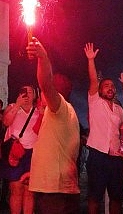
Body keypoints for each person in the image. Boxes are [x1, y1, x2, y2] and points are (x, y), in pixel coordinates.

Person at [26, 38, 81, 214]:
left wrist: (43, 58)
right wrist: (35, 173)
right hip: (53, 186)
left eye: (43, 92)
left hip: (55, 191)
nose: (41, 94)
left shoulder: (60, 108)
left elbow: (45, 83)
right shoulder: (62, 113)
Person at [83, 43, 123, 214]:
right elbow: (94, 80)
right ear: (100, 90)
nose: (110, 88)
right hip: (98, 155)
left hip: (116, 157)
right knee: (95, 196)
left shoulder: (118, 109)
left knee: (116, 197)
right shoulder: (95, 101)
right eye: (106, 86)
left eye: (112, 86)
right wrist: (91, 60)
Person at [0, 85, 39, 214]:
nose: (27, 95)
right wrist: (17, 105)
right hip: (15, 153)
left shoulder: (39, 110)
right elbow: (6, 122)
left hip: (33, 153)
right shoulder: (12, 107)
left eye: (30, 92)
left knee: (29, 191)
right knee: (15, 189)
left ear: (35, 95)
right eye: (24, 92)